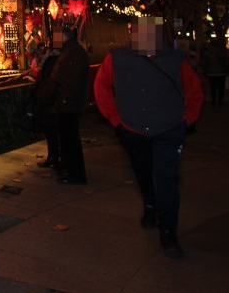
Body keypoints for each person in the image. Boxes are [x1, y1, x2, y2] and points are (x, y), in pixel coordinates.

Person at [94, 17, 203, 259]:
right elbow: (101, 87)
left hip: (169, 129)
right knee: (143, 170)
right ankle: (150, 203)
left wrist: (186, 120)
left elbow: (193, 90)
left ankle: (168, 231)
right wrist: (116, 120)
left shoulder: (174, 60)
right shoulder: (117, 58)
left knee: (167, 179)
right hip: (132, 130)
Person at [49, 28, 91, 184]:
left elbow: (73, 80)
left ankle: (76, 173)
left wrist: (65, 98)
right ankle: (70, 169)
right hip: (68, 101)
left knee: (70, 139)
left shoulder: (74, 52)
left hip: (69, 103)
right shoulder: (72, 50)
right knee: (67, 138)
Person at [31, 44, 61, 168]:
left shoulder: (51, 61)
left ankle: (54, 157)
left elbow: (43, 77)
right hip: (53, 99)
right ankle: (55, 157)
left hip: (50, 99)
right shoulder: (57, 60)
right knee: (54, 131)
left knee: (52, 131)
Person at [200, 39, 228, 105]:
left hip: (211, 72)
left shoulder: (208, 52)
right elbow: (226, 62)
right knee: (221, 87)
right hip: (222, 72)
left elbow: (204, 63)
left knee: (213, 86)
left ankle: (213, 100)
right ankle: (220, 100)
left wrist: (204, 70)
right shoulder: (223, 51)